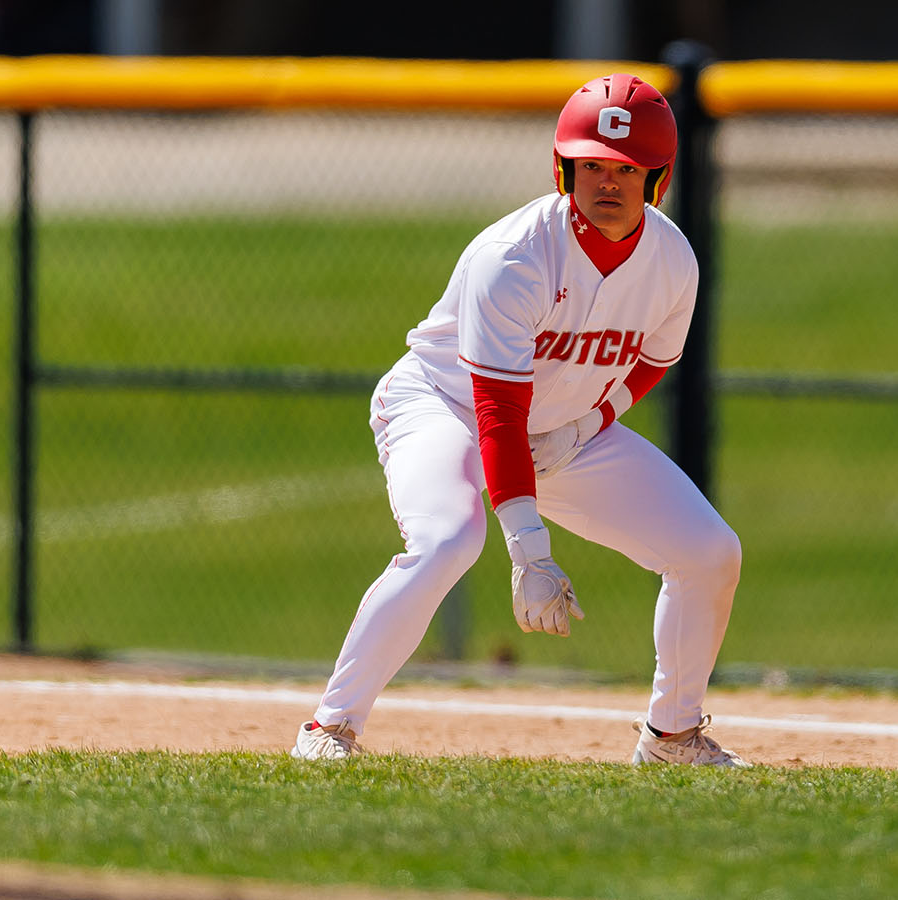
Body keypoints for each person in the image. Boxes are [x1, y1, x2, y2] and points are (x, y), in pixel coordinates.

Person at [291, 73, 748, 768]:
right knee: (449, 540)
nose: (607, 182)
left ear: (657, 178)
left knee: (710, 553)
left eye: (626, 169)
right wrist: (529, 551)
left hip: (560, 426)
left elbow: (652, 361)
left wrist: (590, 422)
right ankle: (329, 728)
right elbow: (497, 414)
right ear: (564, 167)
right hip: (444, 405)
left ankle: (672, 737)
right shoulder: (513, 257)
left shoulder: (671, 260)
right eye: (591, 164)